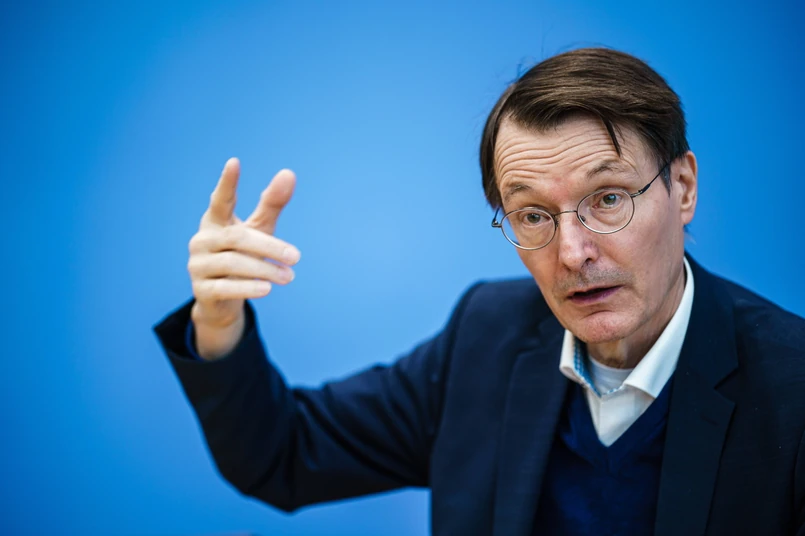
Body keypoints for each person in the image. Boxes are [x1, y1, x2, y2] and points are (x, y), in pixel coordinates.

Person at [153, 48, 805, 535]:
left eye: (608, 199)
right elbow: (282, 454)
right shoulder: (488, 334)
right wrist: (218, 319)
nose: (572, 253)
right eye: (532, 215)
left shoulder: (792, 388)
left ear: (682, 188)